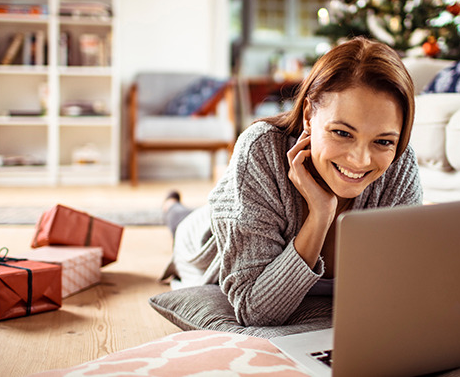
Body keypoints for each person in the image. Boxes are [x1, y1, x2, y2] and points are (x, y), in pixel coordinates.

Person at [163, 37, 422, 327]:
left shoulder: (400, 162)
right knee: (182, 221)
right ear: (310, 115)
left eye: (383, 141)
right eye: (342, 133)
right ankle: (171, 208)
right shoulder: (261, 149)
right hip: (207, 240)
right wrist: (320, 216)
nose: (361, 160)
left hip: (249, 212)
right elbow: (255, 311)